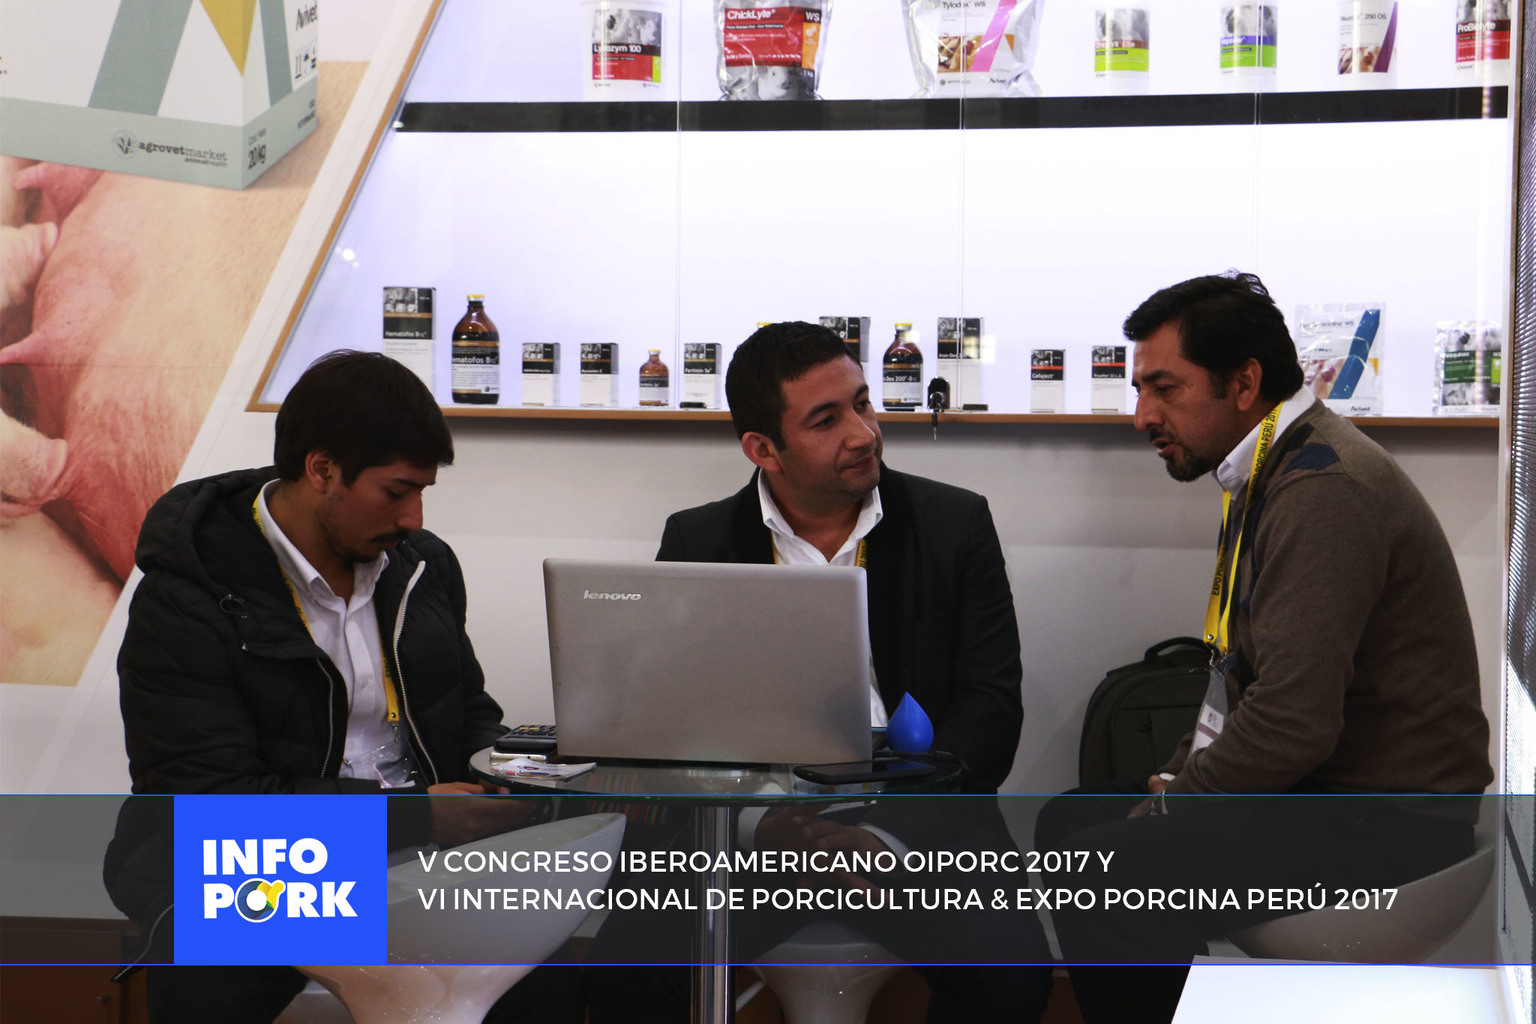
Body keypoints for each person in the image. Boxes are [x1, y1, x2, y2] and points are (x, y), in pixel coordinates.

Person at [1037, 272, 1493, 1023]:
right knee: (1067, 823)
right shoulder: (1276, 468)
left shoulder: (1323, 488)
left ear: (1245, 382)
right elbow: (1240, 676)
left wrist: (1172, 806)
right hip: (1325, 795)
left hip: (1386, 824)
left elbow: (1291, 722)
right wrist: (1176, 777)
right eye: (1140, 389)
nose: (1142, 415)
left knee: (1108, 869)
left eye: (1164, 388)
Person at [586, 321, 1047, 1023]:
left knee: (1007, 972)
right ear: (762, 449)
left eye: (863, 403)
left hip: (921, 824)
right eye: (827, 420)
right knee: (629, 969)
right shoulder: (699, 539)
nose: (863, 433)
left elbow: (990, 709)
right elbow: (671, 728)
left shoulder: (954, 524)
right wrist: (762, 827)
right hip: (751, 830)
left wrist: (884, 837)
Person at [108, 351, 570, 1024]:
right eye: (396, 491)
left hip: (421, 854)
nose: (413, 518)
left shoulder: (420, 566)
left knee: (559, 969)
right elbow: (212, 802)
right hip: (261, 865)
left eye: (423, 493)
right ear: (321, 470)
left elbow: (465, 706)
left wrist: (508, 775)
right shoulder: (189, 598)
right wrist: (414, 816)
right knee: (217, 968)